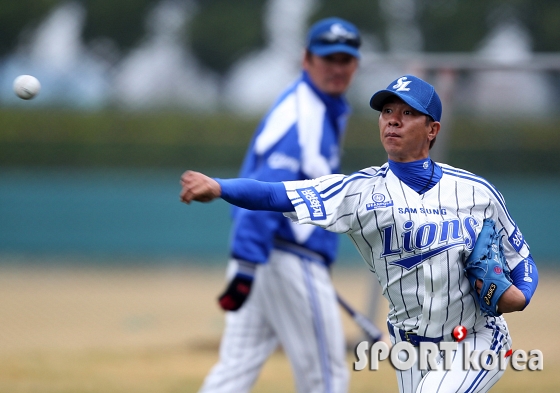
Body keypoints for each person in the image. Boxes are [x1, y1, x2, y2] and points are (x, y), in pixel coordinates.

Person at [180, 74, 539, 393]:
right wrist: (220, 186)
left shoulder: (477, 192)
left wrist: (520, 295)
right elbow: (277, 193)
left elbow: (519, 257)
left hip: (474, 338)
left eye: (408, 113)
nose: (393, 121)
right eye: (387, 112)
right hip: (409, 346)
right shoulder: (358, 193)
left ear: (433, 130)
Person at [194, 17, 361, 393]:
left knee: (232, 375)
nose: (337, 68)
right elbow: (266, 191)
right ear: (307, 59)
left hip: (269, 259)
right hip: (285, 257)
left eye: (345, 59)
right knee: (326, 379)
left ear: (356, 64)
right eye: (328, 58)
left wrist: (249, 266)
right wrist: (248, 265)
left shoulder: (323, 109)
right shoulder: (303, 117)